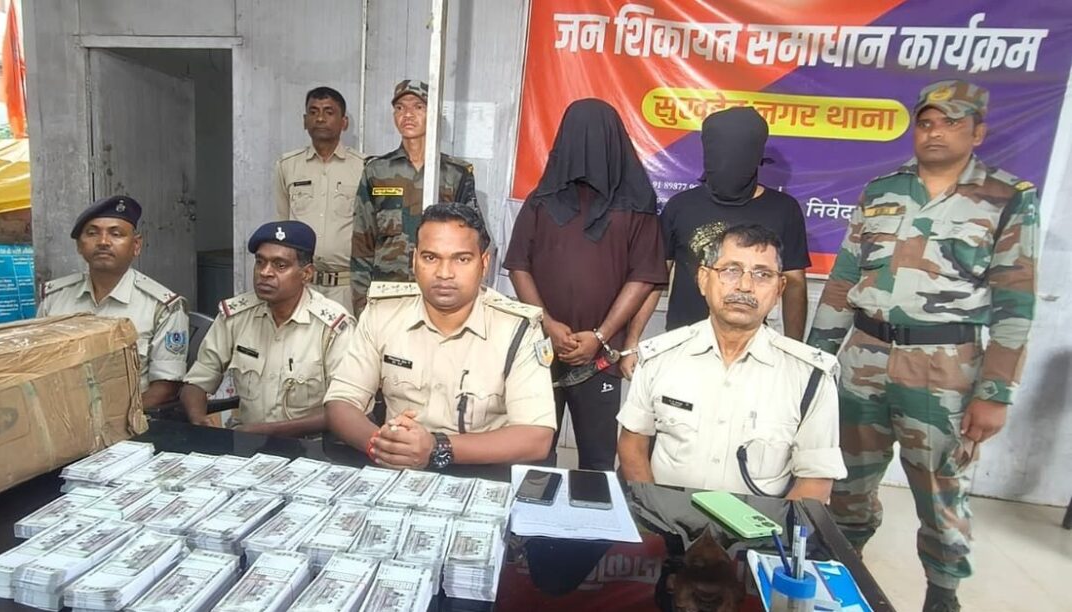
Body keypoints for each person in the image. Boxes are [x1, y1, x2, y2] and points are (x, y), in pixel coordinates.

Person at [806, 80, 1038, 612]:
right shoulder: (882, 190)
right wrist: (816, 360)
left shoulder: (1007, 197)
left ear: (977, 132)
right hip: (863, 358)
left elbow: (1016, 304)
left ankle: (942, 593)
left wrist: (995, 393)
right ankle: (844, 574)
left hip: (944, 370)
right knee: (845, 481)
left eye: (951, 123)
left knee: (939, 490)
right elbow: (843, 281)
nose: (935, 132)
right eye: (927, 122)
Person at [617, 225, 845, 500]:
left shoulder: (809, 376)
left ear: (779, 289)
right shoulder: (659, 358)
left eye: (762, 275)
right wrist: (655, 514)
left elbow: (816, 480)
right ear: (704, 279)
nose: (745, 286)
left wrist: (765, 528)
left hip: (759, 524)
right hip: (665, 518)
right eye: (730, 270)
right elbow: (632, 445)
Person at [503, 98, 668, 471]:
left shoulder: (637, 203)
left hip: (601, 356)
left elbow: (644, 276)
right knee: (533, 452)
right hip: (542, 349)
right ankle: (533, 511)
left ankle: (592, 511)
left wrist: (601, 334)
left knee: (597, 457)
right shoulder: (541, 201)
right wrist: (548, 323)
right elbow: (518, 266)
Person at [326, 203, 555, 469]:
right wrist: (382, 445)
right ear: (414, 260)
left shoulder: (518, 328)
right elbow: (341, 402)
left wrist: (436, 447)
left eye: (462, 259)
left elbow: (536, 437)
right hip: (397, 469)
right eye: (430, 258)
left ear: (484, 264)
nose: (444, 273)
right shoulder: (382, 313)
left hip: (482, 473)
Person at [181, 221, 354, 436]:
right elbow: (197, 381)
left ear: (306, 274)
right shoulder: (236, 316)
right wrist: (199, 419)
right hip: (247, 443)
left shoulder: (332, 327)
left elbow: (346, 410)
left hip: (312, 446)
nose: (265, 273)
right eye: (260, 262)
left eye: (280, 265)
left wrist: (264, 432)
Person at [660, 107, 811, 338]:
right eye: (719, 153)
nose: (727, 162)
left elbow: (794, 285)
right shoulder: (681, 206)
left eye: (738, 154)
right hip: (684, 340)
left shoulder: (783, 210)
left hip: (751, 343)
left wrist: (794, 346)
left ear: (756, 156)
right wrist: (633, 340)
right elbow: (653, 279)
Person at [38, 195, 188, 409]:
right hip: (60, 414)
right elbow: (36, 367)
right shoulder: (54, 298)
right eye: (92, 233)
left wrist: (110, 418)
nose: (103, 242)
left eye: (116, 234)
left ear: (136, 245)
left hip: (129, 419)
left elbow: (166, 387)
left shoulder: (162, 306)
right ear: (79, 246)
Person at [350, 80, 477, 315]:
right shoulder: (377, 171)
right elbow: (362, 243)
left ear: (434, 113)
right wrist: (361, 305)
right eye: (400, 108)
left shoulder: (455, 173)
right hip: (388, 295)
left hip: (439, 293)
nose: (407, 114)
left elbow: (472, 241)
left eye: (418, 107)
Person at [275, 86, 367, 313]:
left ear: (344, 122)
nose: (320, 118)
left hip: (347, 288)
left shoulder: (364, 167)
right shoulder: (287, 166)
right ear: (304, 121)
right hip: (301, 284)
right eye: (313, 111)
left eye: (329, 112)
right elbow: (282, 226)